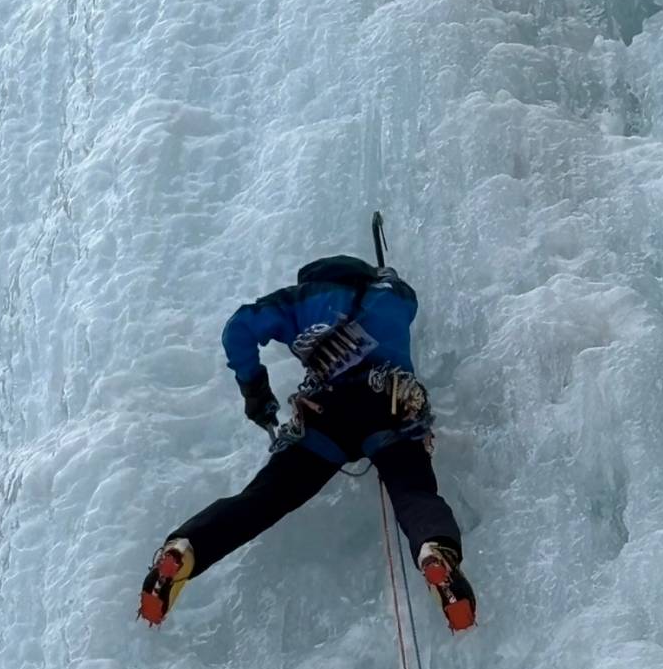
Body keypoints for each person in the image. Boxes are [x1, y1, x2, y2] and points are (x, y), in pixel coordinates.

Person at [139, 254, 476, 630]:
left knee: (263, 499)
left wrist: (255, 390)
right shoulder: (389, 294)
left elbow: (238, 329)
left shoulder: (298, 300)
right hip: (388, 409)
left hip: (325, 420)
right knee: (413, 492)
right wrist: (386, 277)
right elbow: (408, 300)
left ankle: (184, 549)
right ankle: (434, 550)